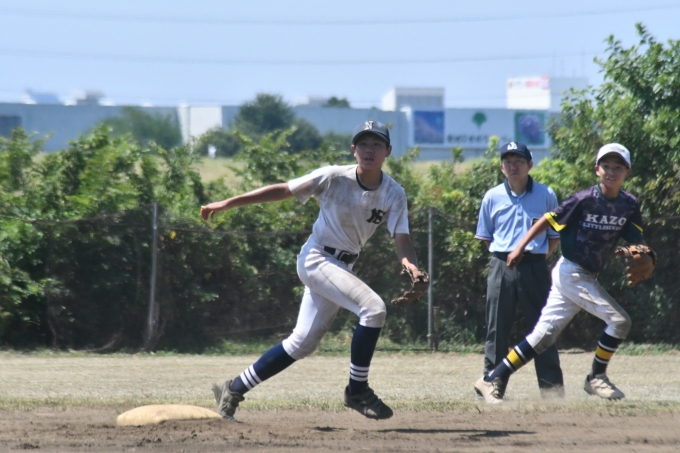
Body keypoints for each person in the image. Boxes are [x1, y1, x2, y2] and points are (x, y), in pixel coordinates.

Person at [200, 120, 427, 421]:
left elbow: (402, 240)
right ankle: (357, 390)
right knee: (373, 309)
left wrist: (411, 267)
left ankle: (232, 389)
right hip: (317, 258)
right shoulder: (333, 177)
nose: (369, 150)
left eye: (376, 144)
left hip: (342, 265)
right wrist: (228, 203)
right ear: (353, 149)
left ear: (388, 150)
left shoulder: (394, 193)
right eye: (363, 144)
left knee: (302, 343)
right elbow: (285, 190)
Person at [475, 143, 646, 404]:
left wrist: (643, 253)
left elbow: (637, 241)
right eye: (606, 166)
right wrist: (519, 247)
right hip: (570, 272)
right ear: (597, 169)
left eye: (618, 167)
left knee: (542, 336)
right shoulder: (584, 199)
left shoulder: (628, 204)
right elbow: (546, 220)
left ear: (627, 172)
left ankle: (495, 380)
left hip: (565, 271)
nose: (612, 171)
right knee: (619, 321)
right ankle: (596, 377)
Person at [474, 141, 564, 400]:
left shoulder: (546, 194)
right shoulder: (492, 196)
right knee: (496, 329)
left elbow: (554, 237)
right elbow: (487, 237)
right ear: (502, 167)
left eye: (519, 162)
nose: (514, 166)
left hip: (535, 267)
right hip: (501, 266)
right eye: (508, 162)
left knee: (543, 328)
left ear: (530, 165)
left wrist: (537, 258)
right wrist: (504, 258)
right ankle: (491, 386)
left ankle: (551, 390)